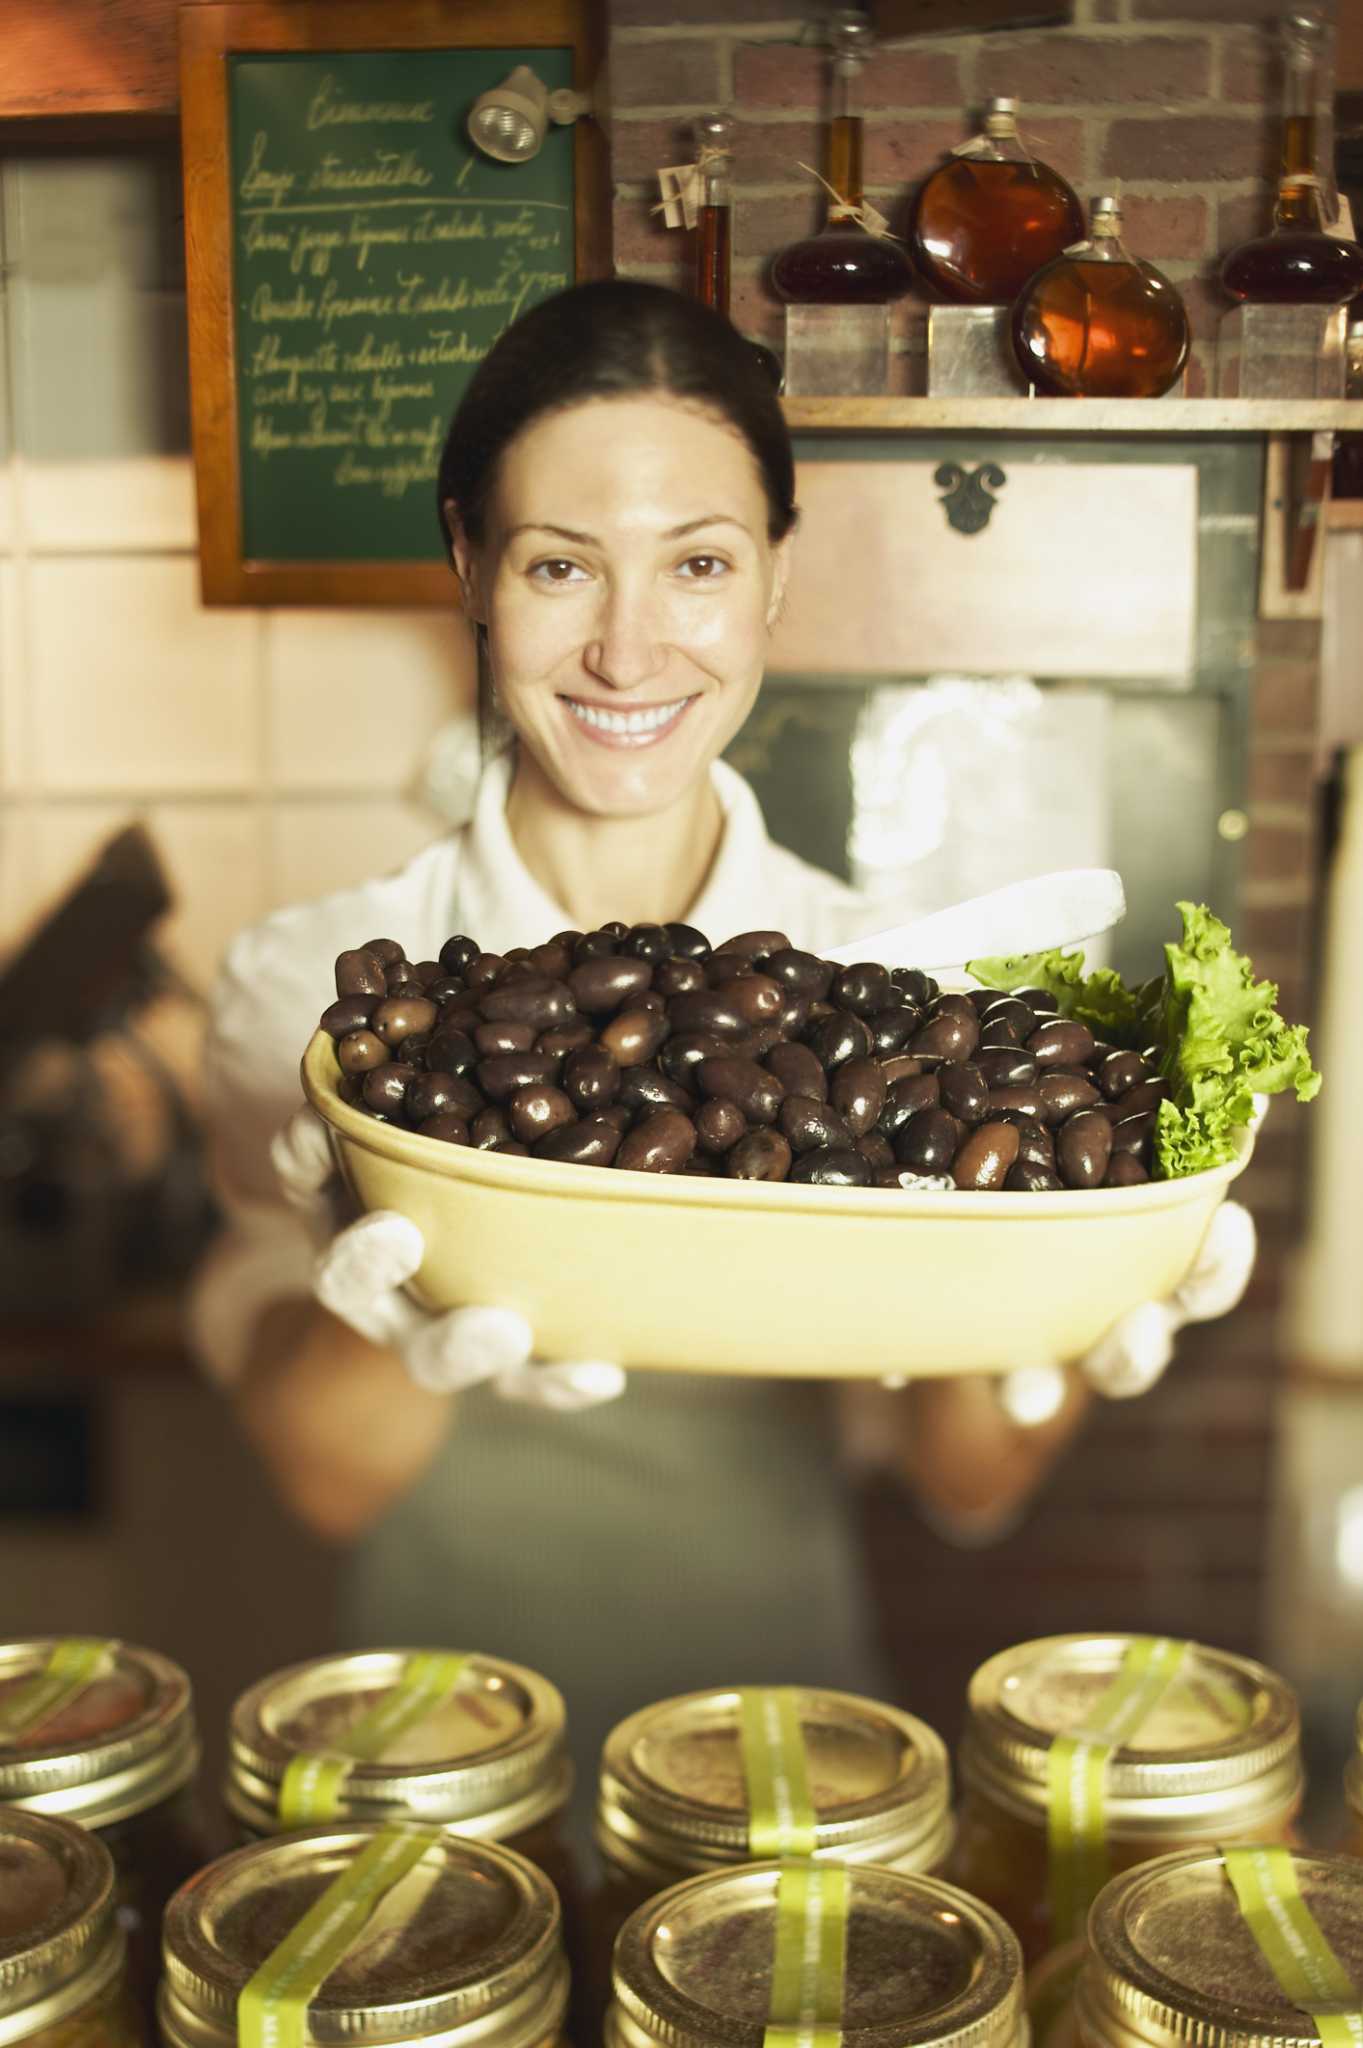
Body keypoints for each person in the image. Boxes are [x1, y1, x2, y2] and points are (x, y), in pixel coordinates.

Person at [189, 280, 1254, 1830]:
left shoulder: (892, 987)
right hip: (431, 1757)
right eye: (561, 566)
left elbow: (970, 1484)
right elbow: (323, 1481)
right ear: (470, 568)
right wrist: (383, 1289)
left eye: (697, 564)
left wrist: (1070, 1305)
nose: (631, 649)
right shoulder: (313, 990)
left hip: (786, 1752)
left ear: (772, 588)